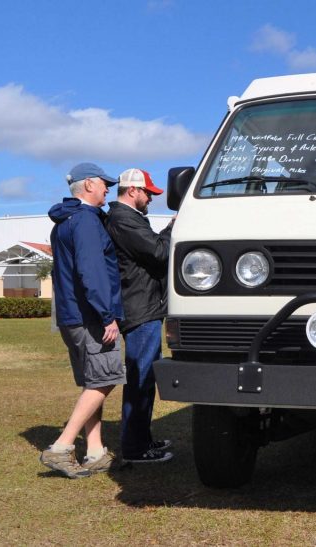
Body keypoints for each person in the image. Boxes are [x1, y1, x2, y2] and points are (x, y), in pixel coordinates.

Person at [40, 162, 124, 478]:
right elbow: (92, 273)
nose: (108, 189)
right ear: (88, 184)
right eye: (105, 184)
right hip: (91, 317)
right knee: (105, 379)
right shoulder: (87, 223)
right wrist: (107, 316)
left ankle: (96, 450)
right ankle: (61, 447)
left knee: (94, 381)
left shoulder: (64, 221)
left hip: (71, 316)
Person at [105, 168, 174, 463]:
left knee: (144, 378)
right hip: (140, 309)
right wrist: (175, 228)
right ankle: (135, 448)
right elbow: (159, 252)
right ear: (132, 190)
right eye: (148, 193)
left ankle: (142, 440)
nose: (150, 199)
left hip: (143, 306)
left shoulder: (128, 219)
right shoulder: (125, 219)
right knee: (141, 379)